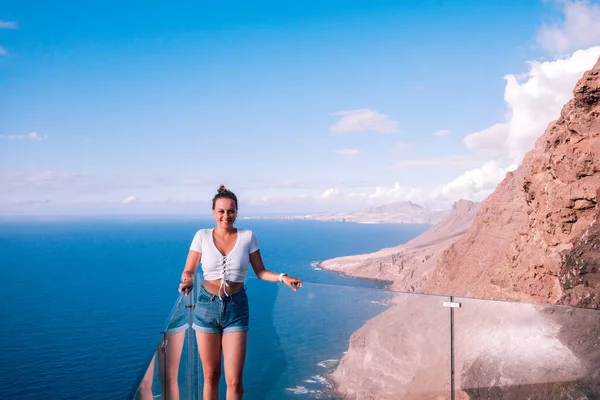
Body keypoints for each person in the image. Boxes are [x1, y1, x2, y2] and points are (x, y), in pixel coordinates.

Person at [178, 185, 302, 400]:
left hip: (236, 308)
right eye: (221, 211)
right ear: (213, 213)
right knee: (210, 375)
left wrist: (282, 277)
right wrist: (188, 281)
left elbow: (261, 271)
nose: (226, 215)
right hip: (207, 306)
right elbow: (189, 270)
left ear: (237, 211)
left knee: (234, 381)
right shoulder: (202, 236)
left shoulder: (248, 236)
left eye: (231, 211)